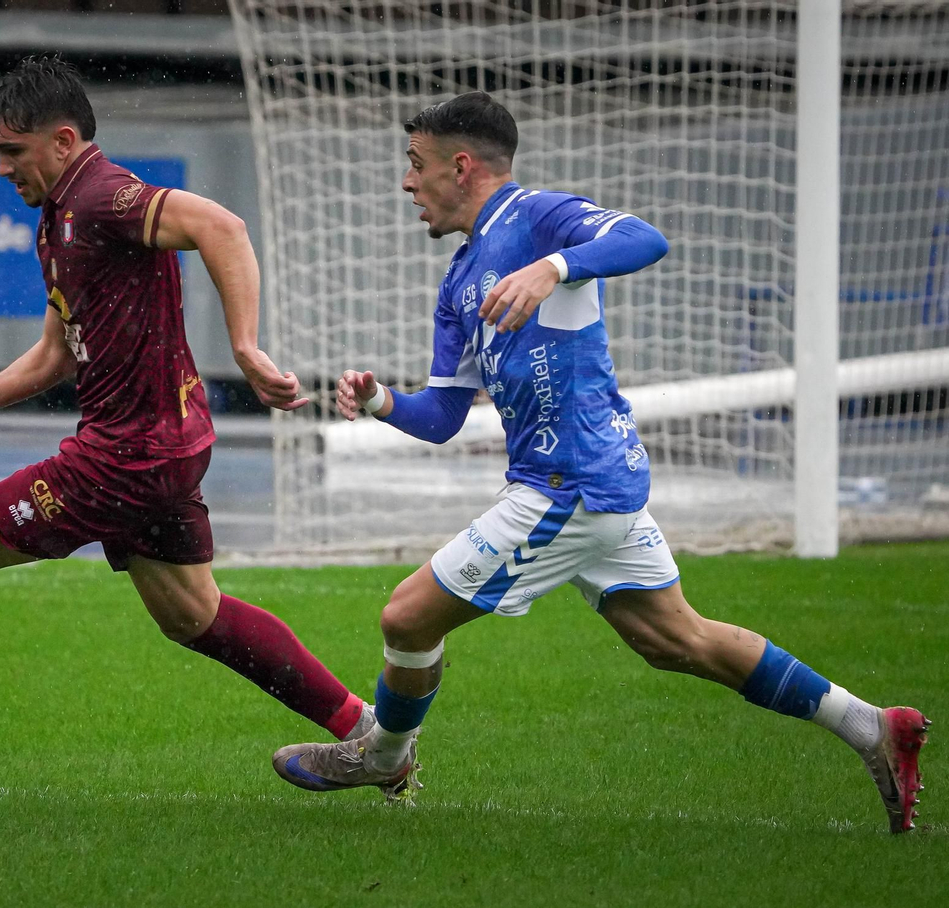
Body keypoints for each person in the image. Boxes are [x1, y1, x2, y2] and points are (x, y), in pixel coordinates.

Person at [270, 91, 930, 832]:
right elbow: (447, 415)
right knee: (677, 641)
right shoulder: (459, 283)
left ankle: (384, 755)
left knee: (407, 616)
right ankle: (873, 726)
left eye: (415, 165)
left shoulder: (539, 218)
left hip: (568, 485)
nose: (406, 184)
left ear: (462, 166)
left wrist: (553, 267)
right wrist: (385, 400)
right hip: (596, 484)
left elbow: (646, 239)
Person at [0, 56, 377, 789]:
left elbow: (223, 226)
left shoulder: (106, 195)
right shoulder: (60, 219)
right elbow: (57, 355)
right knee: (194, 617)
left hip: (124, 457)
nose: (1, 169)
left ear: (61, 140)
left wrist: (244, 346)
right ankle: (369, 736)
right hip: (166, 448)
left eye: (11, 152)